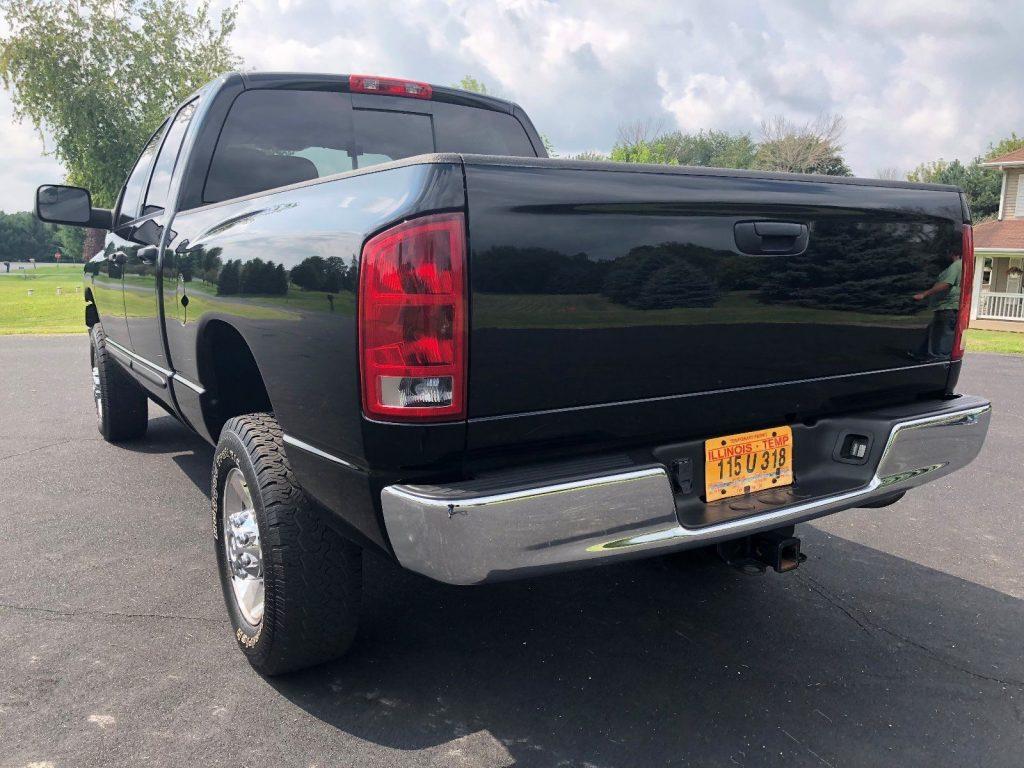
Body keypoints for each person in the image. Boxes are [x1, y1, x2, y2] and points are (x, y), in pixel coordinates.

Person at [912, 252, 962, 360]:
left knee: (941, 336)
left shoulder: (956, 266)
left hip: (947, 307)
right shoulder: (961, 266)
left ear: (955, 254)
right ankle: (920, 354)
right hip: (946, 307)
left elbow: (946, 284)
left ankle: (939, 362)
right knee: (933, 331)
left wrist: (924, 294)